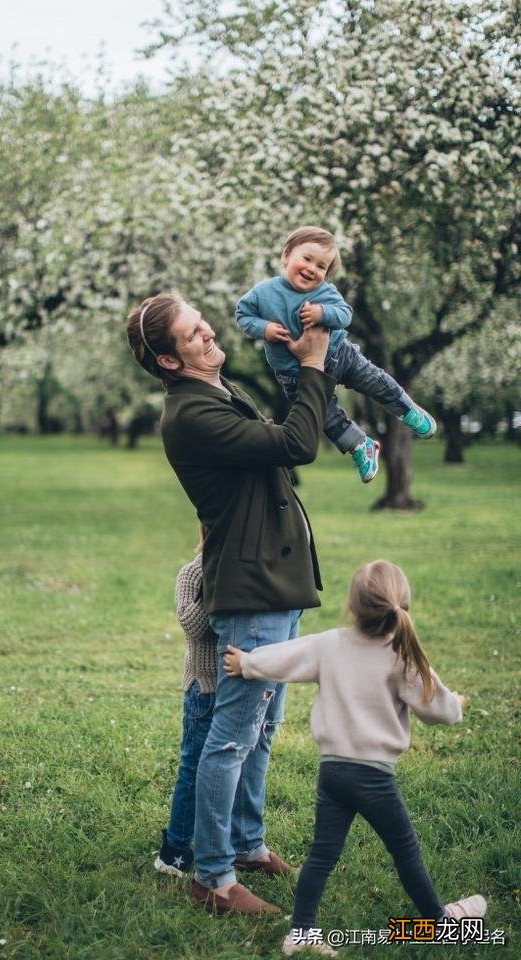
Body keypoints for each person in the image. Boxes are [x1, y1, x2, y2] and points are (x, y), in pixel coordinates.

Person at [126, 291, 335, 915]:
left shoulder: (215, 394)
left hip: (275, 583)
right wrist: (316, 366)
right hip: (252, 592)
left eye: (201, 322)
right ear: (169, 361)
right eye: (193, 333)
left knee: (263, 729)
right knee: (231, 738)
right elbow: (296, 443)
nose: (209, 331)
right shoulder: (191, 414)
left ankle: (246, 845)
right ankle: (213, 878)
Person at [224, 559, 487, 957]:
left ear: (352, 606)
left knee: (322, 855)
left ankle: (301, 933)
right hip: (374, 778)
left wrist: (246, 663)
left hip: (333, 773)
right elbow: (439, 709)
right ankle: (439, 922)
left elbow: (285, 656)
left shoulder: (330, 644)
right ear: (402, 608)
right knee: (405, 850)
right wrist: (458, 707)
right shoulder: (402, 655)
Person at [236, 225, 437, 484]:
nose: (312, 269)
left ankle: (406, 409)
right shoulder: (263, 293)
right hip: (295, 373)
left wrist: (322, 313)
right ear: (286, 256)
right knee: (325, 417)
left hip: (339, 355)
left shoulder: (324, 293)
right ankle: (360, 446)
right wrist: (264, 328)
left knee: (374, 380)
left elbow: (345, 314)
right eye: (306, 259)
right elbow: (243, 315)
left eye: (321, 267)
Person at [154, 530, 217, 877]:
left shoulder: (246, 571)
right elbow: (194, 626)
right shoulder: (193, 572)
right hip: (204, 686)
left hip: (237, 686)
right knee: (194, 768)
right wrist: (217, 582)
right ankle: (176, 850)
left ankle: (226, 843)